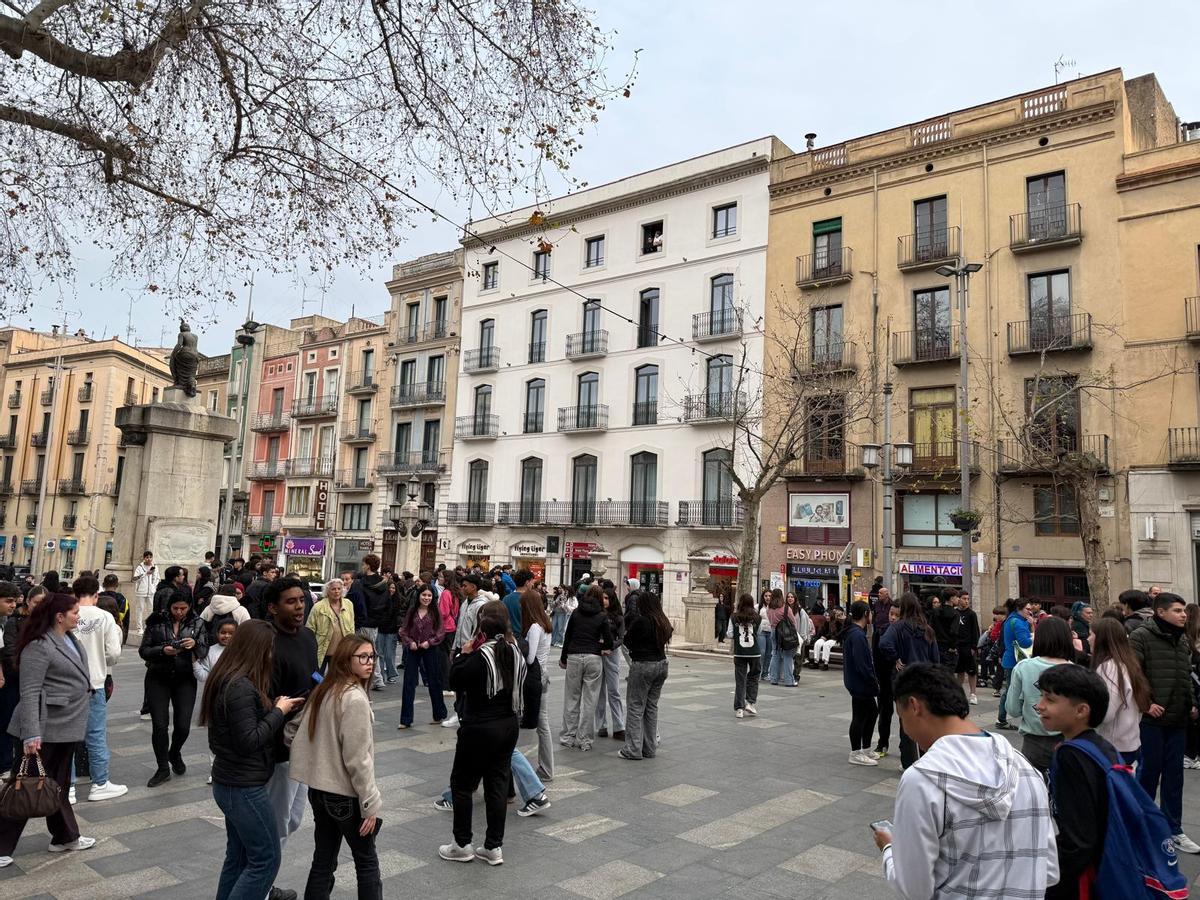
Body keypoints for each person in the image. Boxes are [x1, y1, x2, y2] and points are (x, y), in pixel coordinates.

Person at [871, 662, 1058, 899]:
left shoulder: (921, 780)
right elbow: (1048, 869)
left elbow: (915, 889)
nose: (906, 731)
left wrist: (889, 849)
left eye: (902, 719)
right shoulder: (1026, 769)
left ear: (914, 706)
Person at [200, 619, 302, 900]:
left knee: (239, 856)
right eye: (269, 649)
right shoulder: (240, 687)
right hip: (242, 786)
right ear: (256, 650)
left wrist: (275, 705)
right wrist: (278, 712)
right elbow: (249, 741)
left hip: (232, 781)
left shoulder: (232, 680)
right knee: (266, 859)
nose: (272, 655)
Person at [0, 593, 97, 867]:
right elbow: (29, 692)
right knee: (24, 786)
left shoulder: (70, 639)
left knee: (58, 785)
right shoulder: (39, 646)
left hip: (66, 725)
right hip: (44, 727)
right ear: (59, 616)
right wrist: (31, 733)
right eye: (75, 612)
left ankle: (65, 836)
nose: (79, 616)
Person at [288, 636, 382, 900]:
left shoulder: (326, 689)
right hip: (345, 794)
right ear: (345, 660)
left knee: (324, 859)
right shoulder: (353, 698)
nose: (369, 663)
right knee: (366, 862)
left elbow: (292, 730)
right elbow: (358, 759)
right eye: (362, 657)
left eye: (372, 656)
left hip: (319, 790)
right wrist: (370, 803)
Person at [440, 601, 525, 866]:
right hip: (508, 724)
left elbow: (453, 680)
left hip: (479, 726)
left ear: (482, 630)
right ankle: (493, 846)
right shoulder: (514, 651)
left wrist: (463, 654)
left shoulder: (479, 657)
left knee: (463, 785)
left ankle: (462, 843)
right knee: (497, 785)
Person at [1034, 664, 1124, 900]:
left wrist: (1049, 883)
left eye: (1050, 699)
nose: (1040, 705)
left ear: (1081, 710)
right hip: (1106, 861)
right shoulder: (1101, 746)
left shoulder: (1071, 756)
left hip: (1080, 879)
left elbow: (1078, 840)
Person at [1128, 591, 1200, 853]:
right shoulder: (1141, 637)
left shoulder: (1182, 640)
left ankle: (1174, 828)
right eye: (1178, 610)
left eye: (1184, 611)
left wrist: (1191, 702)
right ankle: (1141, 826)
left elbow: (1185, 674)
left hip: (1178, 719)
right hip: (1152, 721)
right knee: (1148, 774)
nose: (1184, 615)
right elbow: (1133, 673)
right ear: (1161, 612)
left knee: (1175, 777)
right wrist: (1146, 704)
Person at [264, 576, 320, 894]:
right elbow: (264, 694)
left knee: (295, 819)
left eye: (301, 600)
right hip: (280, 746)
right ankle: (263, 884)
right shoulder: (267, 643)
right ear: (273, 608)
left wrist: (324, 683)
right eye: (291, 601)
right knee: (278, 823)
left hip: (306, 739)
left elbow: (311, 670)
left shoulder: (308, 637)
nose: (299, 607)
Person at [139, 591, 206, 786]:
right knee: (160, 725)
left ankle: (174, 752)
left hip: (185, 678)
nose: (179, 612)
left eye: (183, 608)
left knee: (183, 725)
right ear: (169, 607)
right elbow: (144, 651)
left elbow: (204, 650)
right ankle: (162, 768)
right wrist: (163, 650)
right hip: (158, 677)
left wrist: (194, 644)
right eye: (175, 608)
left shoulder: (198, 623)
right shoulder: (156, 621)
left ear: (189, 607)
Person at [70, 575, 126, 801]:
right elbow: (113, 653)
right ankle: (100, 783)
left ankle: (69, 786)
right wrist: (101, 661)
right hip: (95, 681)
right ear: (96, 595)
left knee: (68, 735)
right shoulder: (104, 617)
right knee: (95, 734)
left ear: (75, 594)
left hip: (69, 682)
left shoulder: (67, 613)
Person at [1004, 616, 1076, 773]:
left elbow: (1013, 709)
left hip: (1033, 743)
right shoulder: (1076, 671)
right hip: (1068, 742)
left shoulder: (1023, 667)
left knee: (1033, 791)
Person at [879, 593, 940, 769]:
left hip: (904, 680)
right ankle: (926, 759)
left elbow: (884, 644)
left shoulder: (898, 627)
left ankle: (908, 762)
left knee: (906, 721)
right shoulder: (927, 629)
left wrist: (896, 658)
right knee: (924, 720)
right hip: (924, 680)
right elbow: (935, 658)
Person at [559, 584, 613, 752]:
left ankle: (568, 736)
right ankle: (585, 740)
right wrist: (601, 645)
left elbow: (567, 637)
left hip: (574, 656)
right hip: (593, 657)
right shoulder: (602, 616)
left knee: (572, 698)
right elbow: (610, 641)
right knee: (590, 701)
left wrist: (563, 658)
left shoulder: (575, 613)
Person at [1089, 616, 1149, 765]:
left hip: (1114, 745)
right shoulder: (1127, 663)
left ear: (1102, 639)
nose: (1088, 639)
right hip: (1128, 742)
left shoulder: (1109, 667)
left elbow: (1106, 712)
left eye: (1091, 634)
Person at [620, 589, 671, 761]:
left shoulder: (641, 621)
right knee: (651, 707)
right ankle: (649, 748)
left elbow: (626, 641)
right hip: (662, 665)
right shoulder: (662, 620)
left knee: (635, 706)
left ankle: (632, 749)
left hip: (643, 664)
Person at [194, 618, 237, 785]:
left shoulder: (242, 651)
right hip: (215, 700)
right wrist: (195, 662)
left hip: (236, 699)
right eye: (223, 632)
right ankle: (215, 769)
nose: (226, 636)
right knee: (216, 736)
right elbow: (203, 676)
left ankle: (233, 767)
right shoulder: (210, 651)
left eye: (231, 633)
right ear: (217, 633)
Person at [397, 587, 446, 728]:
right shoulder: (412, 611)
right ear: (419, 596)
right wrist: (410, 642)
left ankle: (438, 714)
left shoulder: (435, 612)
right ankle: (405, 719)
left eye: (429, 595)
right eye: (424, 595)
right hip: (413, 649)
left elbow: (441, 632)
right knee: (409, 682)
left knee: (434, 680)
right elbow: (404, 630)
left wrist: (429, 642)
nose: (426, 598)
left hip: (430, 649)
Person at [520, 590, 554, 781]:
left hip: (536, 676)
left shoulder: (534, 627)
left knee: (542, 724)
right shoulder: (545, 623)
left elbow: (531, 657)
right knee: (543, 724)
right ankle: (546, 767)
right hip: (544, 674)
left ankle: (547, 769)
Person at [842, 600, 879, 766]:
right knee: (860, 716)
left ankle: (865, 748)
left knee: (871, 712)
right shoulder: (857, 635)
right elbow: (862, 663)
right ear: (866, 614)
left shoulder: (855, 632)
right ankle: (856, 752)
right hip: (860, 683)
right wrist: (872, 680)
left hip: (858, 681)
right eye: (870, 612)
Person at [994, 597, 1033, 731]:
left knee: (1010, 690)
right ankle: (1002, 719)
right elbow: (1025, 642)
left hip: (1011, 660)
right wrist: (1033, 633)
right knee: (1012, 690)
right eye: (1028, 609)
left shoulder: (1011, 620)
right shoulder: (1018, 622)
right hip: (1017, 661)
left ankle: (1002, 719)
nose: (1030, 611)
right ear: (1019, 609)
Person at [594, 587, 625, 741]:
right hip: (598, 653)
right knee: (599, 691)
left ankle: (619, 726)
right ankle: (601, 725)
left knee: (614, 690)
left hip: (611, 654)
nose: (604, 601)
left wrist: (610, 646)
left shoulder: (618, 617)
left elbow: (621, 637)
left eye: (607, 598)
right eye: (602, 598)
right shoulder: (596, 615)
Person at [356, 556, 389, 692]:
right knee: (371, 649)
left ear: (368, 566)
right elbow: (387, 603)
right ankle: (377, 679)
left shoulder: (361, 582)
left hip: (363, 620)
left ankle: (376, 679)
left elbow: (359, 602)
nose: (362, 566)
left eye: (363, 564)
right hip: (375, 622)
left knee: (364, 650)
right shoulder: (383, 583)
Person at [307, 578, 355, 670]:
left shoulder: (348, 604)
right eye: (333, 589)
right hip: (321, 651)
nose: (336, 591)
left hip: (341, 651)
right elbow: (310, 629)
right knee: (317, 679)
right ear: (327, 591)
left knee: (338, 680)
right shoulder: (318, 607)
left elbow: (352, 627)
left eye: (339, 589)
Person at [870, 586, 894, 758]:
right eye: (891, 614)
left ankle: (907, 748)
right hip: (884, 678)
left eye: (896, 615)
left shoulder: (901, 633)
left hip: (899, 679)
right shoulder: (877, 607)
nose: (892, 618)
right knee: (884, 710)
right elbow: (876, 657)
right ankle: (882, 743)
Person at [728, 593, 760, 719]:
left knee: (740, 680)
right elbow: (759, 632)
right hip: (754, 652)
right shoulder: (757, 618)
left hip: (740, 652)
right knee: (753, 677)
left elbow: (729, 634)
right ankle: (750, 703)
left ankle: (739, 708)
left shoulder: (733, 617)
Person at [766, 589, 801, 687]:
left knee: (775, 654)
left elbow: (770, 620)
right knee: (788, 656)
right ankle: (789, 680)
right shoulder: (785, 608)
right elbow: (793, 622)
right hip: (785, 634)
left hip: (773, 632)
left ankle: (773, 678)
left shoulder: (769, 608)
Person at [952, 592, 980, 704]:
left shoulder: (971, 614)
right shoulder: (954, 613)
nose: (966, 601)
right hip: (957, 646)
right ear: (958, 599)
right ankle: (958, 693)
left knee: (972, 671)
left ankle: (973, 694)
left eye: (968, 599)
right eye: (964, 598)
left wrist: (974, 647)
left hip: (968, 646)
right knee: (959, 671)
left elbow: (975, 631)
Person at [376, 579, 404, 684]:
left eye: (393, 588)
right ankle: (381, 675)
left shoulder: (399, 600)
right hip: (381, 629)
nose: (391, 590)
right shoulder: (381, 600)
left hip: (392, 630)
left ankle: (391, 674)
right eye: (389, 587)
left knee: (389, 654)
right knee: (380, 653)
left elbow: (401, 615)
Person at [98, 574, 131, 646]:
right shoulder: (123, 600)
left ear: (103, 584)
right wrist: (123, 639)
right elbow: (125, 621)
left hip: (98, 631)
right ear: (117, 585)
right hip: (114, 632)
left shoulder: (96, 597)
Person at [501, 569, 535, 636]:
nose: (533, 584)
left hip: (509, 637)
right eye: (532, 582)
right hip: (525, 638)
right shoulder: (531, 599)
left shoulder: (506, 599)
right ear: (527, 582)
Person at [133, 550, 157, 633]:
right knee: (140, 610)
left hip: (151, 592)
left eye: (150, 557)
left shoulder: (155, 567)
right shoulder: (140, 567)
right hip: (141, 592)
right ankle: (139, 628)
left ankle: (149, 626)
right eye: (147, 557)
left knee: (151, 610)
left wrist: (154, 587)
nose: (149, 559)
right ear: (144, 558)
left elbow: (157, 578)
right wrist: (146, 573)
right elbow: (134, 579)